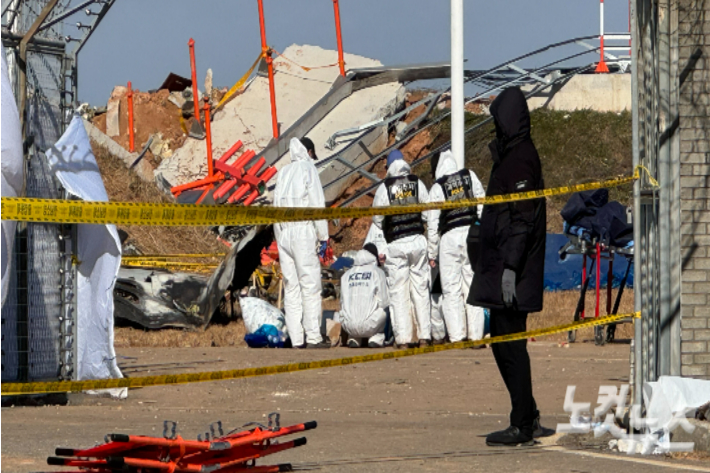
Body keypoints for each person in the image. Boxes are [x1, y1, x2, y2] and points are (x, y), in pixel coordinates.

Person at [468, 87, 547, 446]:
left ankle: (523, 423)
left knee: (511, 347)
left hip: (511, 272)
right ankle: (526, 413)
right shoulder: (512, 155)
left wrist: (510, 269)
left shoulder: (520, 160)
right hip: (501, 266)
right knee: (503, 344)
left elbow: (521, 221)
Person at [273, 137, 330, 349]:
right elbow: (317, 204)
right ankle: (314, 336)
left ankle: (296, 339)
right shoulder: (308, 169)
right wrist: (324, 238)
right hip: (303, 231)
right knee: (310, 284)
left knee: (291, 287)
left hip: (284, 233)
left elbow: (275, 206)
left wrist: (280, 239)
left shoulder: (283, 173)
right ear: (309, 151)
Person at [372, 149, 433, 348]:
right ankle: (425, 336)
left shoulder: (385, 188)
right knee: (421, 290)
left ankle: (404, 339)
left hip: (396, 244)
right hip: (417, 241)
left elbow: (377, 218)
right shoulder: (417, 183)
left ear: (388, 167)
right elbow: (427, 214)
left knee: (399, 293)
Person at [428, 150, 486, 343]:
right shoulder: (469, 176)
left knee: (451, 289)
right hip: (471, 234)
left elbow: (432, 222)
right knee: (472, 285)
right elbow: (482, 203)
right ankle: (476, 336)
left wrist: (432, 252)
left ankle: (457, 336)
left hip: (449, 239)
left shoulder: (438, 187)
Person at [339, 243, 389, 348]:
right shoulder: (378, 272)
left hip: (348, 325)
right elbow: (384, 302)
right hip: (370, 325)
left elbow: (342, 302)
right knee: (386, 307)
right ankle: (376, 338)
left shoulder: (346, 275)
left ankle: (354, 338)